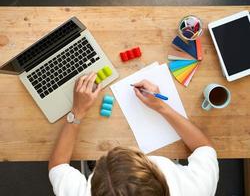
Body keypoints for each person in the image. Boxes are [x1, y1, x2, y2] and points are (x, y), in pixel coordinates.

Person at [48, 72, 219, 196]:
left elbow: (58, 167)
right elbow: (204, 148)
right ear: (158, 175)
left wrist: (77, 112)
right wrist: (162, 107)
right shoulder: (196, 189)